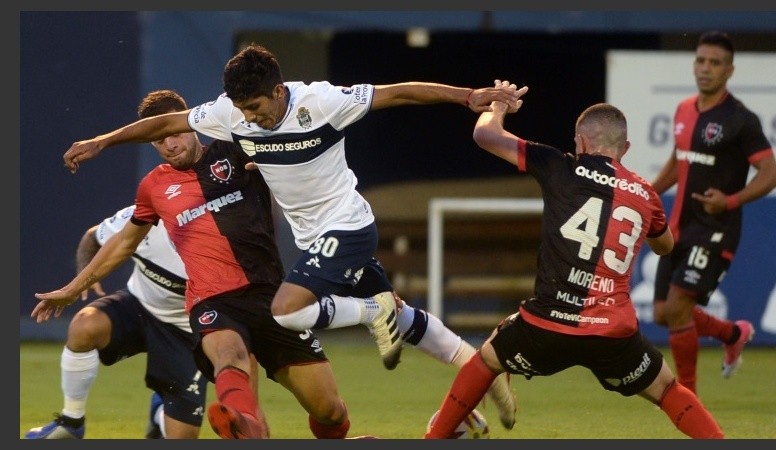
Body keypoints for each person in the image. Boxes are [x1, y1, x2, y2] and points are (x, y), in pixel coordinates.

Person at [60, 43, 525, 429]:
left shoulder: (321, 102)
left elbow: (401, 93)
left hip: (347, 225)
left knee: (285, 311)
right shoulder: (230, 114)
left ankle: (370, 312)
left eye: (258, 109)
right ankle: (482, 370)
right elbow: (166, 123)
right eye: (242, 110)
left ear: (279, 91)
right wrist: (103, 141)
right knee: (402, 319)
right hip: (313, 241)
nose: (251, 119)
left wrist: (469, 97)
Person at [34, 90, 352, 439]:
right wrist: (72, 288)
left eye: (174, 132)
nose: (169, 144)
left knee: (330, 411)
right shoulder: (154, 187)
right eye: (158, 140)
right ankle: (239, 419)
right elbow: (123, 242)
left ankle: (264, 422)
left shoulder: (237, 150)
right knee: (230, 358)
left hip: (270, 298)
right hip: (212, 303)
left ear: (190, 124)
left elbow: (298, 169)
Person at [425, 92, 725, 439]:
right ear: (624, 148)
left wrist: (499, 107)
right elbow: (665, 245)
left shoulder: (558, 165)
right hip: (612, 335)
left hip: (548, 325)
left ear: (580, 140)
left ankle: (434, 438)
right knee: (669, 390)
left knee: (485, 361)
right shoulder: (645, 195)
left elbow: (484, 135)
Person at [650, 31, 776, 394]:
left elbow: (772, 173)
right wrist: (648, 190)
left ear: (729, 70)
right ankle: (733, 334)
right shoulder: (683, 109)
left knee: (677, 309)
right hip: (678, 226)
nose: (705, 69)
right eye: (701, 61)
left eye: (715, 63)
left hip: (715, 228)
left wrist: (730, 201)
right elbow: (679, 161)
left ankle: (687, 399)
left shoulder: (741, 119)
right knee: (662, 313)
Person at [25, 205, 208, 439]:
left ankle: (161, 412)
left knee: (182, 436)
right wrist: (84, 276)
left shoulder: (220, 238)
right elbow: (92, 236)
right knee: (84, 326)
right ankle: (71, 420)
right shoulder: (145, 216)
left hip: (186, 329)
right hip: (139, 306)